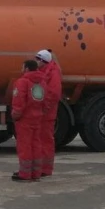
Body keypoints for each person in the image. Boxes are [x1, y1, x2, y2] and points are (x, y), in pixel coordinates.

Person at [10, 59, 47, 182]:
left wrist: (15, 115)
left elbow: (18, 101)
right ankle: (36, 172)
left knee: (25, 146)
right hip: (37, 118)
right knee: (36, 145)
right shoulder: (42, 82)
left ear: (26, 68)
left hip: (25, 119)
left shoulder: (22, 82)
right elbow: (45, 101)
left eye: (22, 67)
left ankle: (25, 173)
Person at [37, 49, 63, 177]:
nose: (36, 61)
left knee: (45, 140)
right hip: (41, 112)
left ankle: (46, 169)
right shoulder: (44, 71)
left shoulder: (52, 73)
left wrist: (44, 109)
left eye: (38, 59)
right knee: (40, 140)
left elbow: (54, 94)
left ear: (44, 61)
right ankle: (41, 168)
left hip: (46, 114)